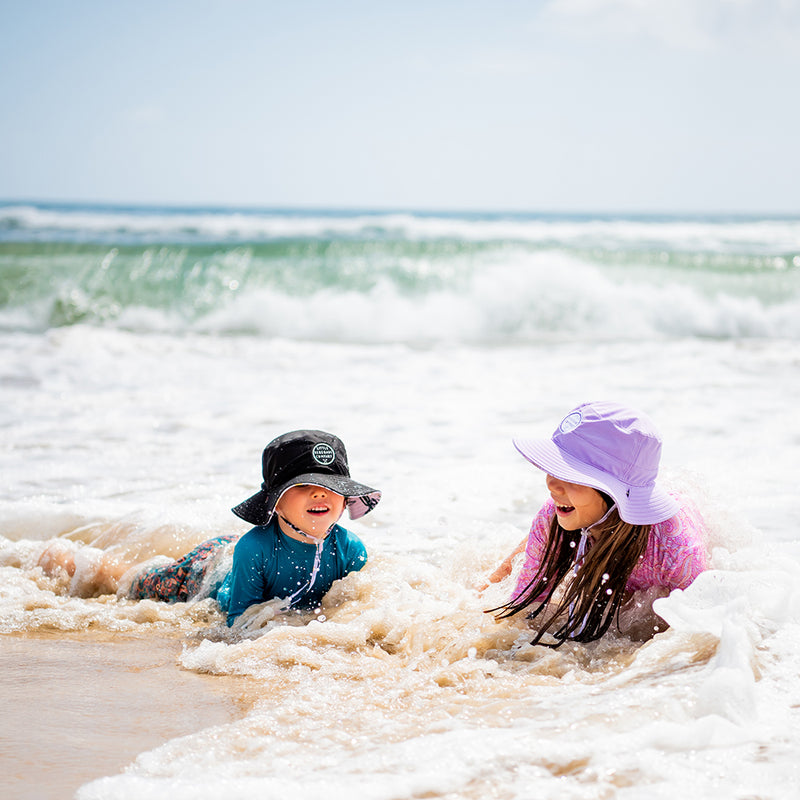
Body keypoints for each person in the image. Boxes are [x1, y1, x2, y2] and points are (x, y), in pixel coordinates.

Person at [39, 430, 381, 627]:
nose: (319, 493)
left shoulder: (350, 550)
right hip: (208, 568)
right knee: (135, 583)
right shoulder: (256, 549)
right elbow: (236, 622)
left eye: (330, 485)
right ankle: (65, 559)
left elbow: (353, 609)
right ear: (275, 501)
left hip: (228, 553)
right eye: (303, 485)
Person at [486, 401, 708, 646]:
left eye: (571, 474)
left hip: (655, 544)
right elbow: (524, 606)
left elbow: (699, 636)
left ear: (613, 493)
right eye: (554, 467)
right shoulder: (552, 516)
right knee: (499, 578)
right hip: (585, 524)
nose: (551, 485)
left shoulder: (677, 551)